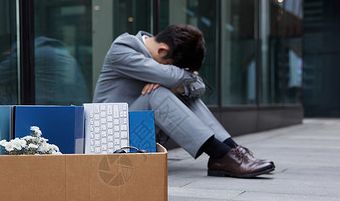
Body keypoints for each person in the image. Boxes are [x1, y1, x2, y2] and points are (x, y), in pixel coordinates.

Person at [93, 24, 274, 178]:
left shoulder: (161, 55)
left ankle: (231, 150)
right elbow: (172, 77)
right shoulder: (122, 49)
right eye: (173, 67)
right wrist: (180, 79)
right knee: (157, 92)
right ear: (162, 49)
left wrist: (179, 86)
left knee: (185, 94)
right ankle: (220, 154)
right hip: (113, 134)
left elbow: (200, 86)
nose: (177, 73)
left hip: (143, 129)